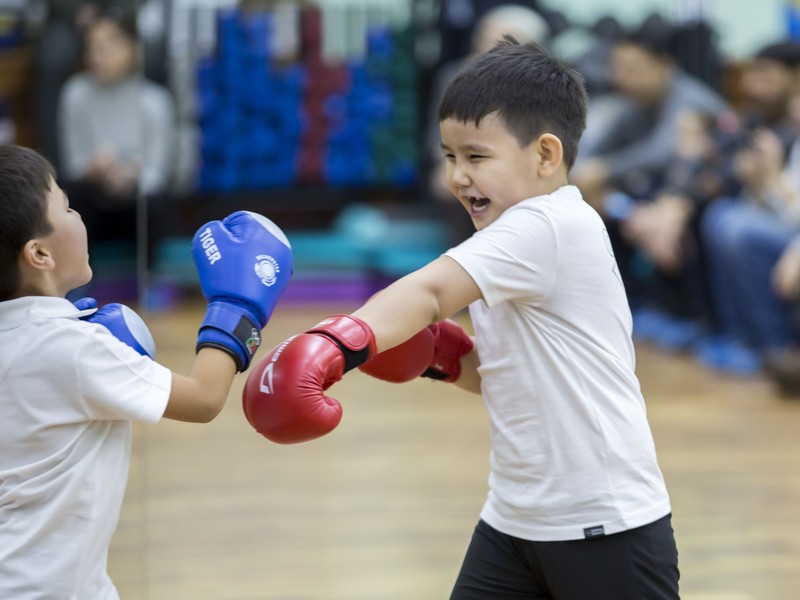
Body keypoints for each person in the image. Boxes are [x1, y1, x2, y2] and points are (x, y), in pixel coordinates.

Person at [242, 39, 679, 598]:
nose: (458, 177)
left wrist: (335, 344)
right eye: (450, 158)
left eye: (476, 157)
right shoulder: (508, 239)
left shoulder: (548, 224)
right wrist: (443, 359)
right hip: (514, 518)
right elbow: (507, 377)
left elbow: (428, 290)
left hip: (604, 525)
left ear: (546, 155)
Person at [0, 145, 293, 598]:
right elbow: (203, 397)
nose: (79, 216)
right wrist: (238, 305)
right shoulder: (74, 349)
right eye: (67, 205)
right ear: (39, 254)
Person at [56, 9, 176, 267]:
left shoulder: (155, 101)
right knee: (70, 196)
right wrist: (95, 168)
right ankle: (79, 277)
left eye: (110, 44)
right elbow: (72, 164)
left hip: (135, 201)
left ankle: (153, 276)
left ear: (134, 48)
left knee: (154, 203)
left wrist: (132, 175)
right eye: (94, 46)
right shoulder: (75, 94)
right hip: (94, 197)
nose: (100, 54)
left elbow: (159, 173)